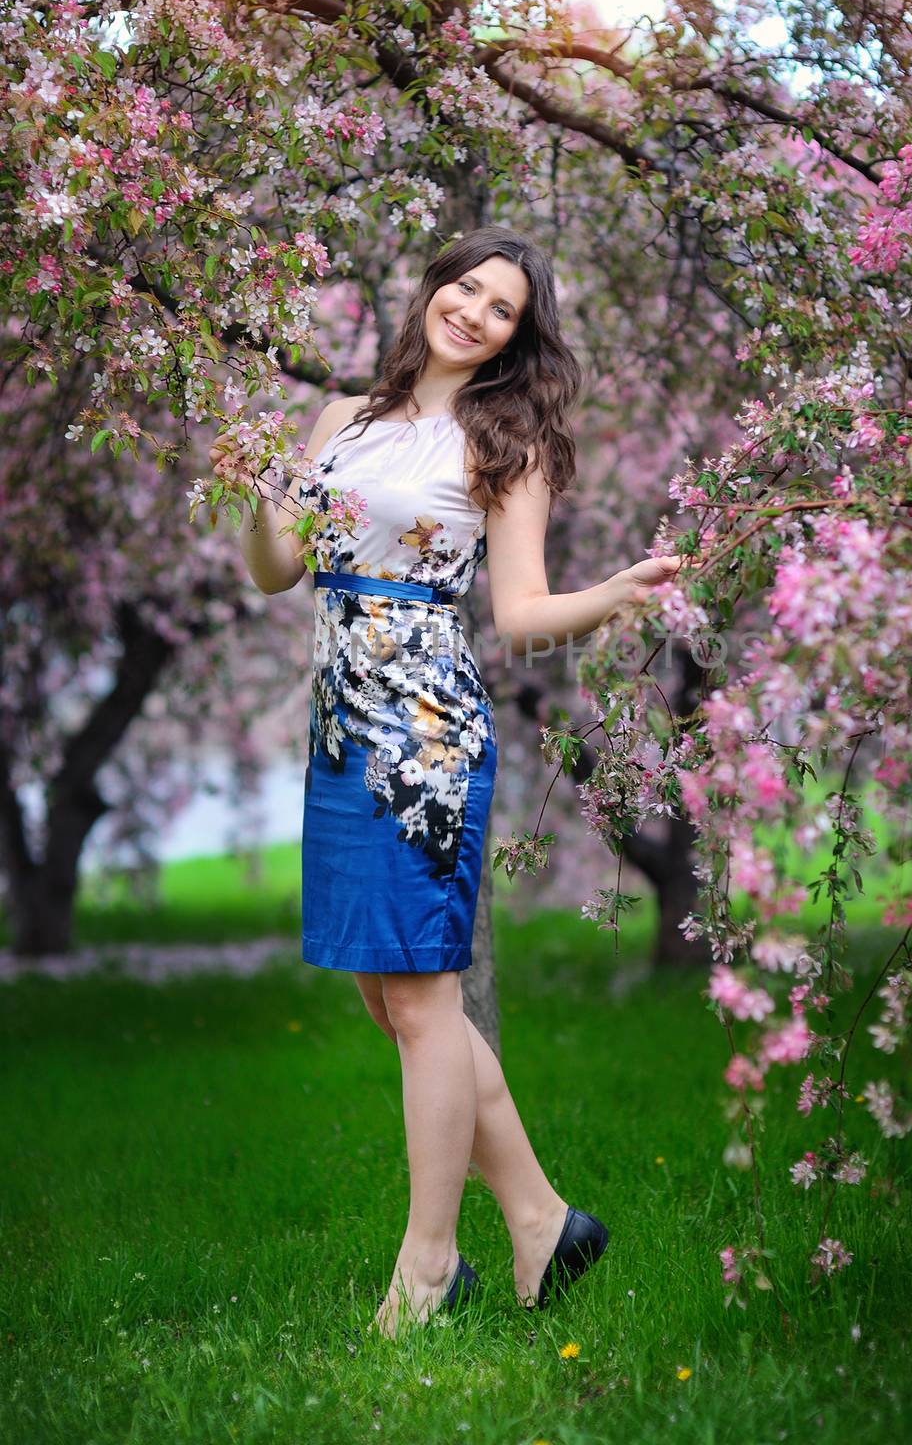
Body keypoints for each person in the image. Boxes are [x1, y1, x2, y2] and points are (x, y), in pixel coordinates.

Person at [213, 224, 682, 1337]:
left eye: (501, 307)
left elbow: (518, 620)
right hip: (339, 728)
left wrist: (614, 593)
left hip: (423, 732)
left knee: (424, 1003)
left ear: (518, 336)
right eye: (464, 287)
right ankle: (541, 1220)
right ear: (432, 289)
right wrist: (264, 484)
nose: (473, 311)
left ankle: (430, 1268)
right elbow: (279, 569)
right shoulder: (342, 419)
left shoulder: (501, 441)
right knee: (387, 997)